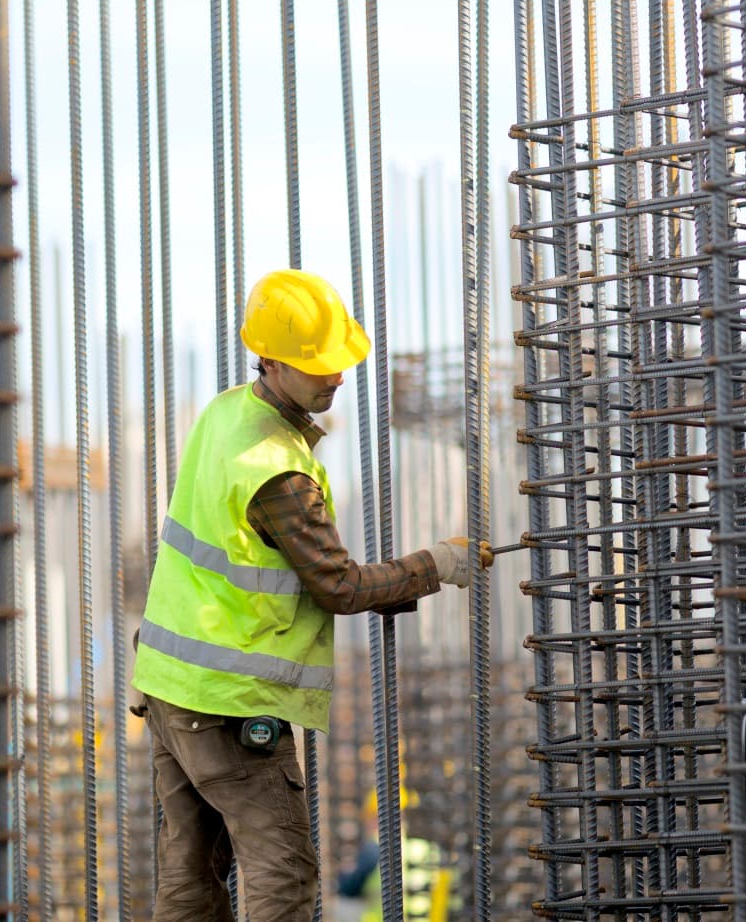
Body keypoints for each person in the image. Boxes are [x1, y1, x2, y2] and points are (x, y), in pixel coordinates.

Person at [130, 268, 492, 922]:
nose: (335, 376)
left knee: (190, 879)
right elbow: (339, 587)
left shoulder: (227, 412)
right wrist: (438, 565)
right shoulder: (276, 471)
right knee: (284, 875)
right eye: (317, 365)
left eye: (338, 361)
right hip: (227, 705)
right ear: (269, 360)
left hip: (168, 684)